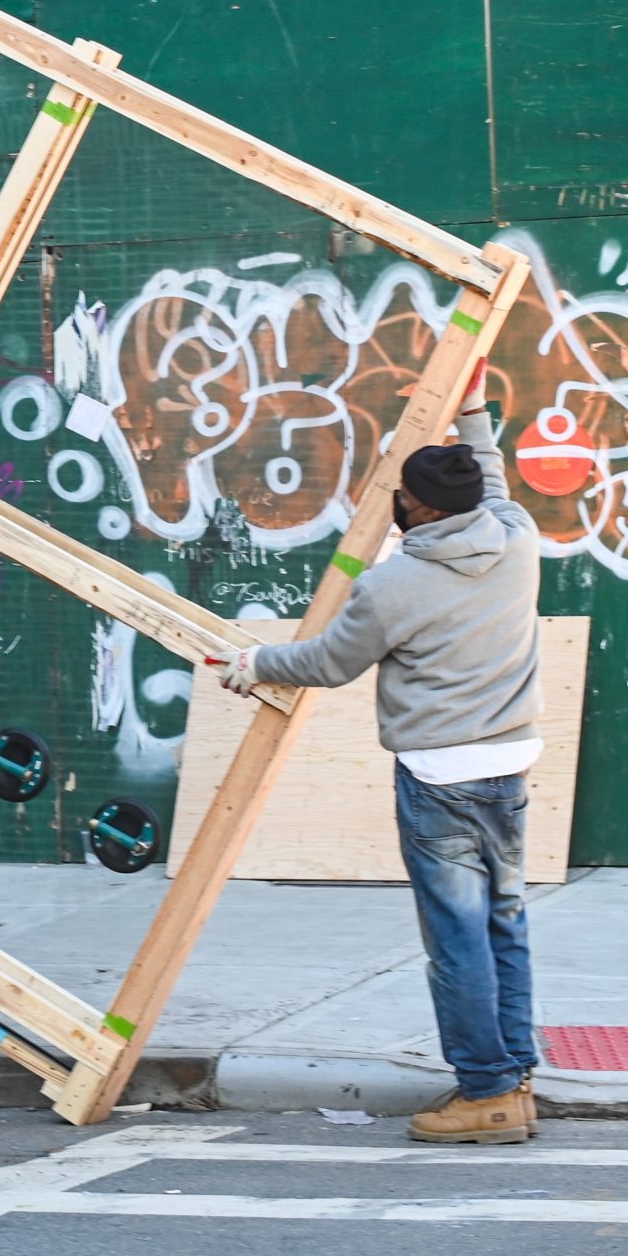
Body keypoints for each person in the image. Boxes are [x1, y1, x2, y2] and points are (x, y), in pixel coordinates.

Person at [220, 365, 542, 1145]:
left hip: (440, 779)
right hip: (508, 764)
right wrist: (474, 415)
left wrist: (257, 661)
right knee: (504, 920)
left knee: (456, 940)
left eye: (403, 495)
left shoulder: (394, 583)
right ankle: (515, 1073)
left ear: (418, 507)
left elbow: (328, 661)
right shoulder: (517, 537)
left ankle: (487, 1091)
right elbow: (491, 481)